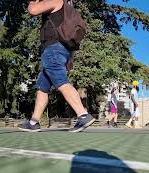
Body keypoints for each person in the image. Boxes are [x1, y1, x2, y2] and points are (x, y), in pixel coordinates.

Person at [18, 0, 95, 132]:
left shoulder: (56, 0)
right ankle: (33, 122)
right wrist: (70, 58)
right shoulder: (67, 8)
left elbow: (33, 10)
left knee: (61, 81)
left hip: (53, 49)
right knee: (43, 87)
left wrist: (32, 2)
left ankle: (83, 114)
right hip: (61, 50)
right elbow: (68, 35)